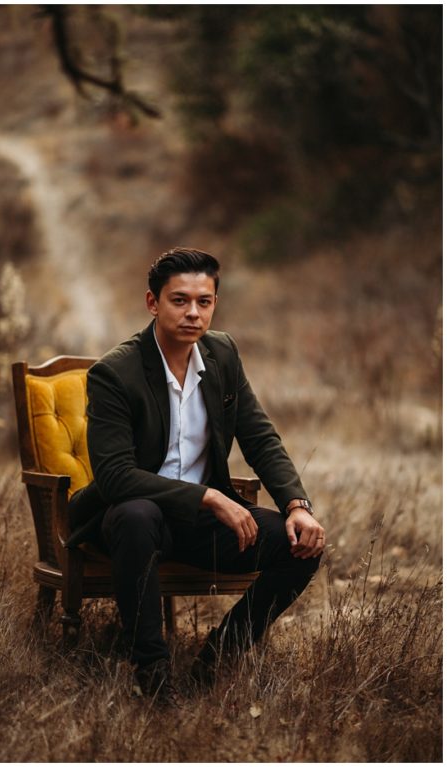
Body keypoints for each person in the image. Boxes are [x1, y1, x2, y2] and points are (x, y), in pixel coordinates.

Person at [66, 248, 324, 706]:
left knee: (301, 547)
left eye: (204, 302)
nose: (192, 313)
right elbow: (115, 476)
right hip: (131, 522)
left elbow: (259, 437)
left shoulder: (222, 353)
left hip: (202, 525)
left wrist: (296, 506)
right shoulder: (115, 373)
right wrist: (207, 497)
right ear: (153, 303)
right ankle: (152, 672)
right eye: (179, 300)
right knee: (137, 514)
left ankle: (218, 655)